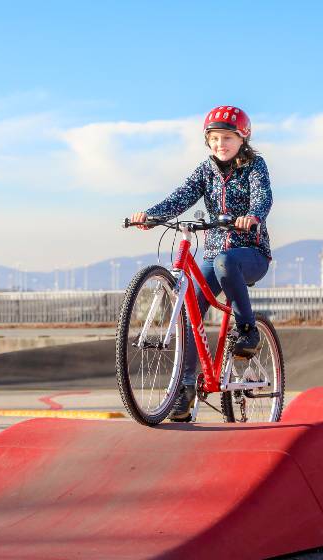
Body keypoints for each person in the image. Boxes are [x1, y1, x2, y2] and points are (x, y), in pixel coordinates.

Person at [131, 105, 272, 421]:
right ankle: (185, 386)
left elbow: (263, 197)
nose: (220, 144)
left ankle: (248, 330)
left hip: (250, 252)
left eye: (227, 138)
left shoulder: (255, 166)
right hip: (214, 254)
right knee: (189, 307)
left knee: (225, 262)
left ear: (242, 138)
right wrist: (152, 216)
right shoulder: (205, 171)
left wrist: (253, 217)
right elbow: (180, 197)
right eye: (214, 139)